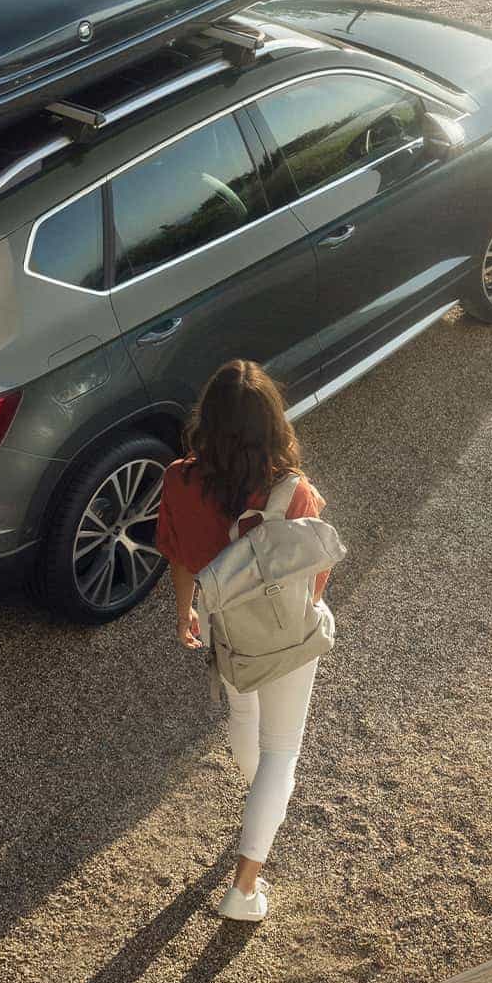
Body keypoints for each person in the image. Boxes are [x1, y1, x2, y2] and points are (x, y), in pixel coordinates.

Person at [156, 359, 331, 923]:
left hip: (225, 626)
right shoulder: (292, 491)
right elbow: (315, 578)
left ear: (207, 421)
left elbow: (181, 556)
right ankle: (244, 887)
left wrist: (186, 613)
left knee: (242, 714)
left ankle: (262, 801)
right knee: (284, 751)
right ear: (272, 424)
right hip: (285, 637)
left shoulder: (180, 479)